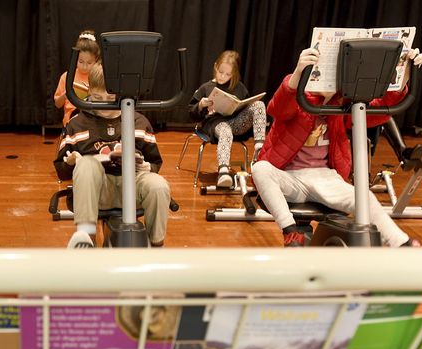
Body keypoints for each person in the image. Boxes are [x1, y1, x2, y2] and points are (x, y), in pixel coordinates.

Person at [252, 47, 422, 247]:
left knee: (363, 196)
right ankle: (291, 231)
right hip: (291, 177)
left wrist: (406, 72)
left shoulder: (341, 106)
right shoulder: (298, 97)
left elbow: (382, 109)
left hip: (325, 177)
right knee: (260, 168)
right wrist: (299, 71)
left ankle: (400, 242)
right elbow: (278, 107)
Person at [55, 63, 171, 248]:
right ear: (89, 92)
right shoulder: (76, 124)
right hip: (97, 191)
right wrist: (70, 162)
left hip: (132, 186)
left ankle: (156, 244)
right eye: (97, 98)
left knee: (159, 185)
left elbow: (155, 161)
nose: (103, 105)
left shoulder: (139, 121)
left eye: (109, 99)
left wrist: (149, 167)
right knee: (86, 163)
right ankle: (86, 238)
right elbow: (61, 171)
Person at [188, 50, 267, 187]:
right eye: (220, 72)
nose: (223, 76)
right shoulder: (206, 88)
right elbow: (190, 113)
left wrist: (240, 107)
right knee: (225, 130)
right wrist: (201, 105)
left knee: (259, 105)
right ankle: (223, 171)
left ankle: (260, 148)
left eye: (228, 74)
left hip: (235, 123)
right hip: (215, 125)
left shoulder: (239, 88)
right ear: (215, 67)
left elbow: (245, 107)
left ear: (234, 74)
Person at [53, 30, 101, 128]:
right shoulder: (66, 76)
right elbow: (57, 104)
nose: (84, 66)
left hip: (94, 116)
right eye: (81, 62)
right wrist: (67, 95)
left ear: (96, 60)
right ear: (75, 59)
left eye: (89, 63)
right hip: (72, 119)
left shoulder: (98, 76)